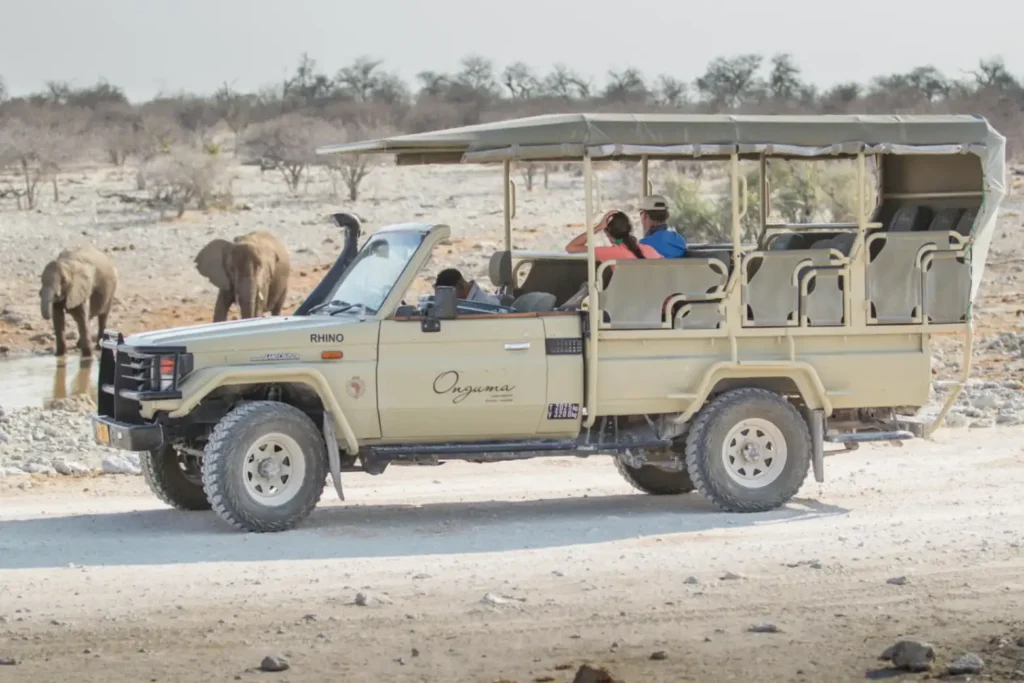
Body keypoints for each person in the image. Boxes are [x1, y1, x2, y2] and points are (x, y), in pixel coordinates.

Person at [565, 210, 661, 261]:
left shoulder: (611, 253)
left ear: (607, 232)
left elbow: (571, 248)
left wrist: (598, 227)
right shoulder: (649, 250)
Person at [434, 268, 502, 306]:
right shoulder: (467, 302)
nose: (447, 299)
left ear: (460, 286)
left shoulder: (484, 305)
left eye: (448, 295)